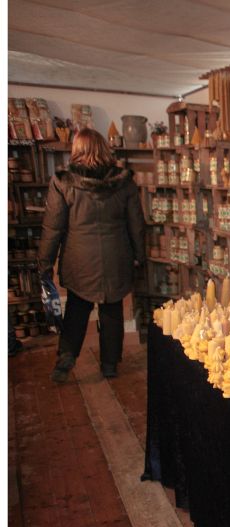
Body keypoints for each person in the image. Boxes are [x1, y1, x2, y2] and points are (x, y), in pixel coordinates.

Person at [38, 128, 145, 382]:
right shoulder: (124, 181)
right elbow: (136, 224)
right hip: (116, 256)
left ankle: (66, 357)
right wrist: (139, 255)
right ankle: (109, 364)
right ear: (103, 148)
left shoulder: (63, 181)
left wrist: (44, 263)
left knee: (77, 307)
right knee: (112, 309)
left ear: (77, 150)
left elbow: (53, 227)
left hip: (80, 259)